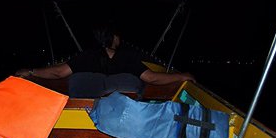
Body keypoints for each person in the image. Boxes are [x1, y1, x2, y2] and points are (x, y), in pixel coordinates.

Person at [15, 25, 194, 98]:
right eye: (117, 35)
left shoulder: (85, 56)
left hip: (84, 115)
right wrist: (181, 76)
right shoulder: (129, 58)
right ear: (113, 38)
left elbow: (58, 73)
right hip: (123, 116)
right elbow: (153, 79)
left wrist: (31, 72)